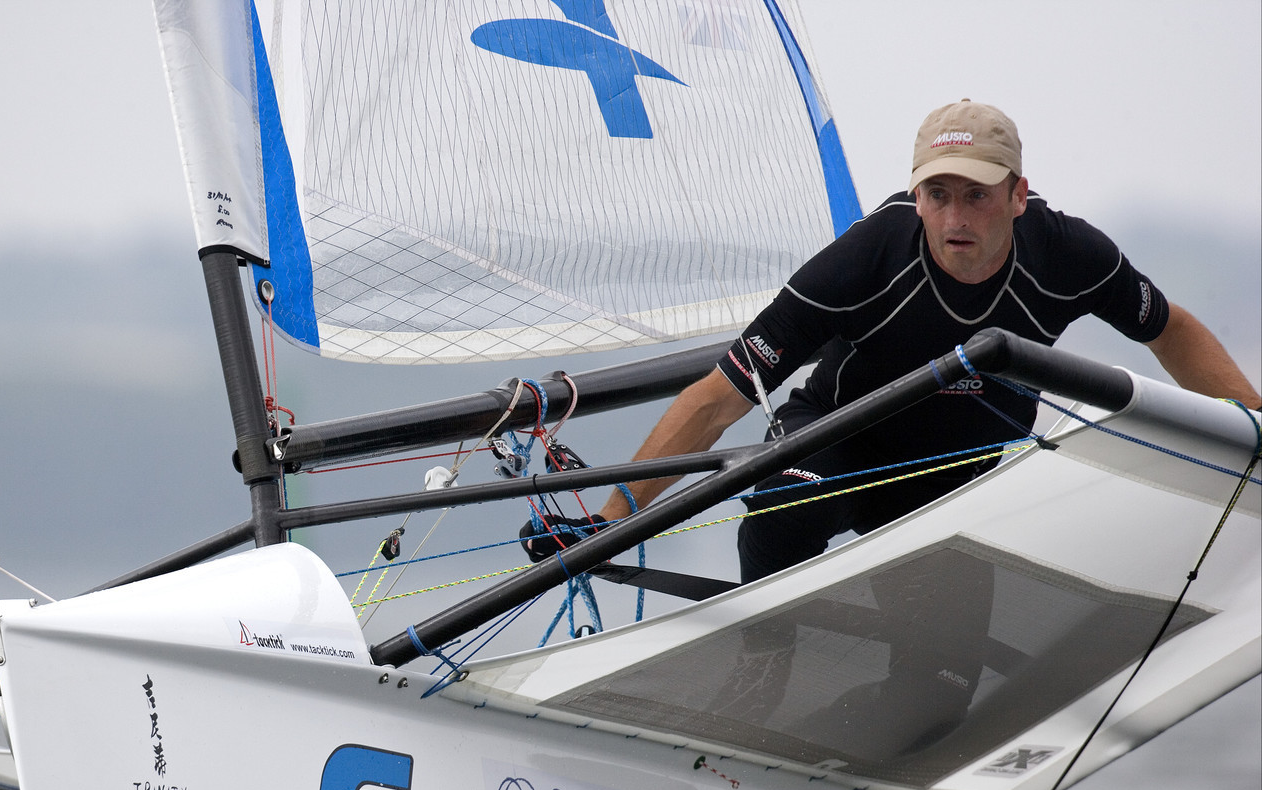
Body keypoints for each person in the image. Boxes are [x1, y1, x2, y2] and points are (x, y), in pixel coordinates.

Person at [524, 100, 1261, 582]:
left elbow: (1170, 327)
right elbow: (720, 400)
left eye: (976, 194)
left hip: (955, 474)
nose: (954, 217)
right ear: (916, 197)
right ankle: (761, 657)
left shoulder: (1072, 256)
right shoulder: (867, 258)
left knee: (943, 680)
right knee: (785, 495)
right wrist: (614, 518)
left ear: (1017, 195)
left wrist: (1252, 427)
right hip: (836, 446)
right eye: (937, 195)